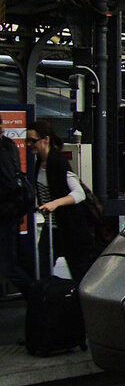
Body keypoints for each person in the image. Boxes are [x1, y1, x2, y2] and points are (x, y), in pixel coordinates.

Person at [27, 121, 93, 282]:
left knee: (78, 271)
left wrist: (55, 203)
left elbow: (79, 193)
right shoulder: (39, 163)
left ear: (46, 140)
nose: (29, 145)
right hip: (53, 226)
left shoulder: (58, 162)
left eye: (33, 141)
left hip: (70, 228)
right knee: (42, 267)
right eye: (27, 141)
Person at [0, 131, 34, 298]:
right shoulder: (9, 146)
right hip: (11, 213)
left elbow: (8, 184)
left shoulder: (4, 151)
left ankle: (36, 297)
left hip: (5, 215)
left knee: (9, 266)